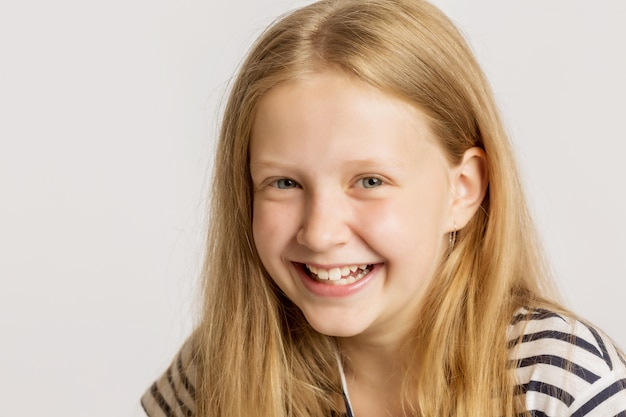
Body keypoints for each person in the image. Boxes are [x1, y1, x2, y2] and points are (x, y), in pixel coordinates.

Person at [141, 0, 626, 416]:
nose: (320, 232)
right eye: (284, 182)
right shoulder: (217, 368)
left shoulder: (559, 379)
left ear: (463, 190)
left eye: (370, 181)